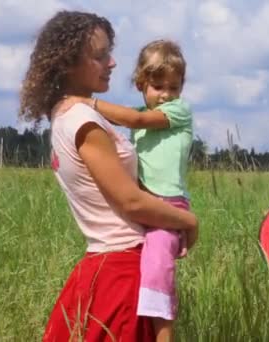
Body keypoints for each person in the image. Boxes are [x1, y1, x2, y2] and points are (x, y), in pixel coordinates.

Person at [18, 11, 198, 341]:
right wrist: (187, 221)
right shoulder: (82, 120)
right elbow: (130, 202)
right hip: (121, 268)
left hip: (102, 264)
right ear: (70, 63)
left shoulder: (66, 114)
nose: (112, 62)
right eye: (100, 56)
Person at [63, 39, 192, 342]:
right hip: (146, 203)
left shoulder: (177, 111)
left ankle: (164, 336)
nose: (166, 95)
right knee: (138, 270)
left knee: (158, 268)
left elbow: (134, 118)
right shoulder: (136, 120)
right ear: (140, 84)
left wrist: (86, 102)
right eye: (158, 86)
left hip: (169, 204)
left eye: (174, 87)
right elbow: (127, 121)